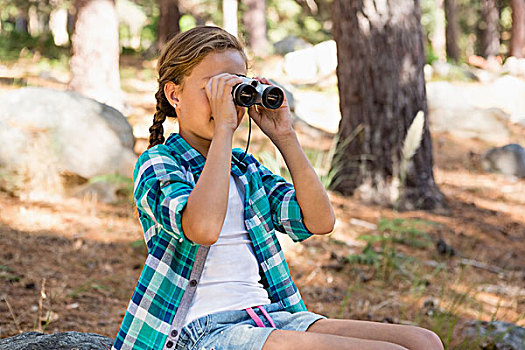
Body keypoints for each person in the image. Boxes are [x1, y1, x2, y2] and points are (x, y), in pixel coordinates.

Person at [111, 26, 444, 350]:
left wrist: (285, 135)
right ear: (174, 94)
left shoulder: (245, 168)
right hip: (199, 331)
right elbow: (203, 228)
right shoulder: (159, 163)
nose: (228, 103)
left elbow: (319, 221)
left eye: (236, 90)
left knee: (424, 341)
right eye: (214, 89)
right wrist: (225, 128)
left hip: (269, 317)